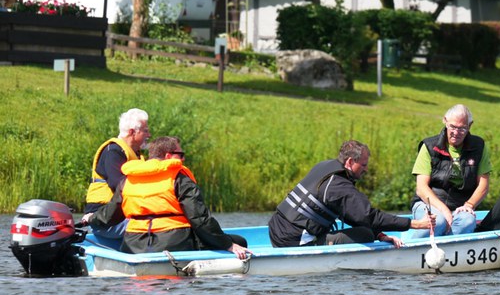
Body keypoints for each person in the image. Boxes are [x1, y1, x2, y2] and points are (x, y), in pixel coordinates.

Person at [82, 136, 249, 260]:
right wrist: (228, 245)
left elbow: (110, 215)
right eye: (181, 154)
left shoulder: (128, 180)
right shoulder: (179, 178)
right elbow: (200, 220)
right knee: (240, 240)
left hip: (133, 245)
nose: (183, 159)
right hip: (174, 243)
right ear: (168, 156)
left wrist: (91, 218)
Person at [268, 140, 434, 248]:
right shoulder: (339, 185)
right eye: (363, 165)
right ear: (349, 162)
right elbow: (369, 217)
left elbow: (353, 215)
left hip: (276, 231)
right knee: (365, 234)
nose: (366, 169)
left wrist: (380, 234)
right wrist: (415, 224)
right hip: (292, 241)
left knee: (369, 230)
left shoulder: (325, 166)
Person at [410, 104, 491, 238]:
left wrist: (469, 205)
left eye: (462, 128)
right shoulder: (429, 146)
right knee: (439, 221)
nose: (456, 132)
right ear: (445, 121)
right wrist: (444, 210)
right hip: (428, 203)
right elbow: (421, 188)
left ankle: (448, 250)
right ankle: (412, 250)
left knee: (467, 221)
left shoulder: (479, 147)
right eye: (452, 127)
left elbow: (483, 185)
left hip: (460, 206)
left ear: (470, 126)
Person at [84, 108, 151, 239]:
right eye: (145, 131)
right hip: (103, 218)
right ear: (132, 132)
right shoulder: (113, 151)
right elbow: (118, 185)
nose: (149, 135)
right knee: (155, 230)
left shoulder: (136, 154)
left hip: (121, 215)